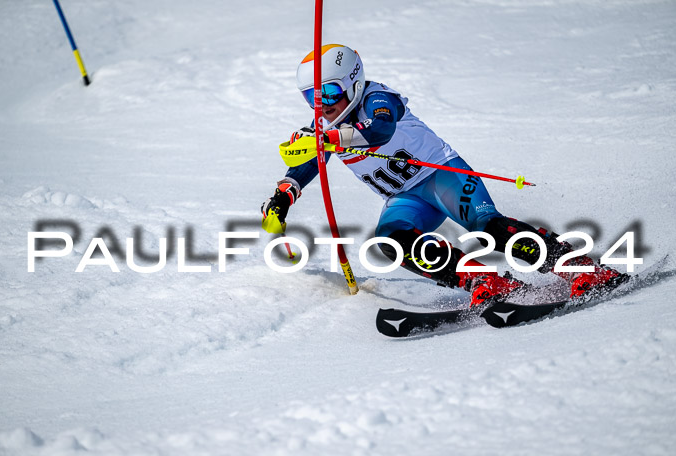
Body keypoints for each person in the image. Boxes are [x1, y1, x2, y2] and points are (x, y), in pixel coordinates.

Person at [261, 44, 628, 307]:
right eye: (311, 96)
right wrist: (284, 195)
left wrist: (331, 138)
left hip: (443, 178)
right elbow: (308, 162)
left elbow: (379, 131)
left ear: (354, 82)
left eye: (329, 91)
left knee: (488, 228)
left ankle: (582, 267)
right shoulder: (324, 124)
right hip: (405, 199)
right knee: (391, 241)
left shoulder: (377, 99)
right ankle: (483, 280)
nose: (322, 105)